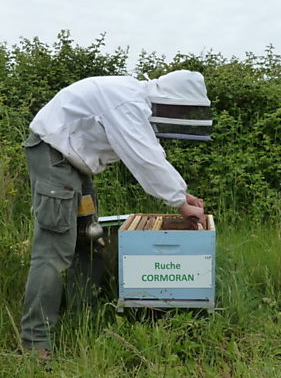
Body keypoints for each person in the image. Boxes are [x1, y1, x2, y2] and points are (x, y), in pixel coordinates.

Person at [20, 70, 213, 358]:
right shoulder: (127, 102)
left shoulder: (134, 100)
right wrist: (178, 203)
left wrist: (181, 194)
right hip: (54, 159)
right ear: (169, 100)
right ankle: (36, 342)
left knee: (89, 239)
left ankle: (84, 318)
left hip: (74, 165)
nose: (179, 115)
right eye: (180, 110)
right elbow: (144, 158)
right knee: (53, 251)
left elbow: (152, 154)